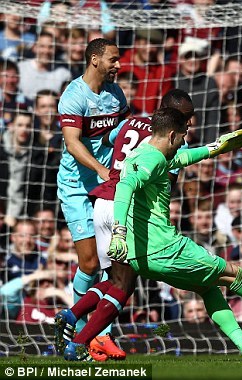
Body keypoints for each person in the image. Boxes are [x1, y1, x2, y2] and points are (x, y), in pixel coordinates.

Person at [61, 108, 242, 362]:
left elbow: (181, 157)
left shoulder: (150, 154)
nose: (184, 141)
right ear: (172, 134)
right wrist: (119, 231)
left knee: (206, 287)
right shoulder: (151, 159)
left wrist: (215, 148)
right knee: (234, 274)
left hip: (143, 255)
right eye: (182, 136)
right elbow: (124, 187)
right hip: (168, 250)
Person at [55, 89, 196, 361]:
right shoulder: (174, 141)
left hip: (104, 200)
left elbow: (107, 140)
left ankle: (71, 316)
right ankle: (81, 343)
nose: (189, 124)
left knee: (114, 279)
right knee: (123, 286)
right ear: (176, 118)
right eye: (188, 118)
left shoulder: (130, 122)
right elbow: (167, 184)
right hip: (127, 207)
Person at [56, 38, 129, 357]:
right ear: (95, 60)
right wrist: (102, 169)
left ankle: (97, 334)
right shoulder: (73, 96)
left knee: (112, 262)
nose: (118, 65)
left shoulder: (116, 94)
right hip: (76, 185)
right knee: (88, 262)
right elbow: (72, 143)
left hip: (107, 185)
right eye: (113, 59)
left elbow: (124, 132)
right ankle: (73, 328)